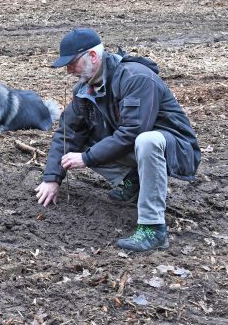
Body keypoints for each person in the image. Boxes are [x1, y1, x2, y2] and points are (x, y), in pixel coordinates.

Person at [36, 28, 201, 252]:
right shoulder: (85, 90)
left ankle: (153, 229)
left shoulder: (136, 77)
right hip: (136, 149)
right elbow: (67, 133)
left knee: (147, 140)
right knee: (80, 139)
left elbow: (133, 132)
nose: (69, 71)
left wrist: (87, 158)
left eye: (72, 63)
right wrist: (52, 178)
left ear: (93, 56)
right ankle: (132, 181)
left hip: (175, 149)